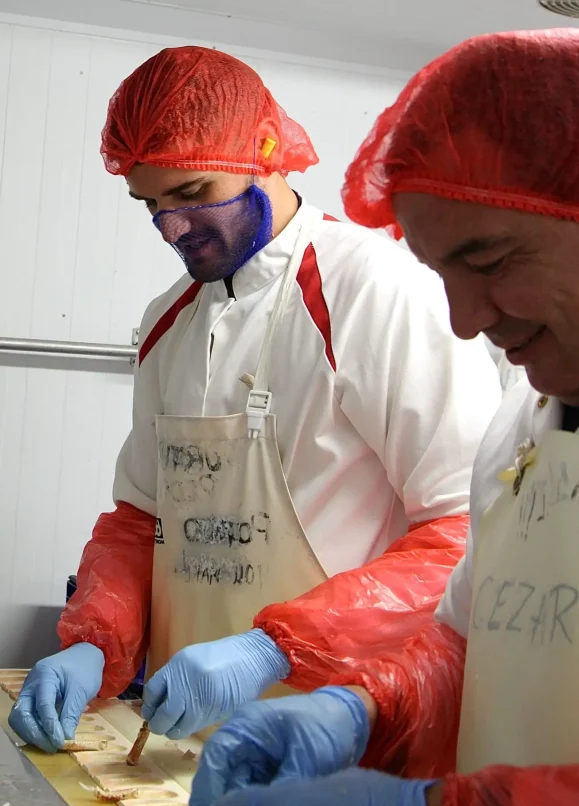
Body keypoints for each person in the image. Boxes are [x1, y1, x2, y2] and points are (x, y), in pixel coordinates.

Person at [8, 46, 500, 754]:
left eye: (192, 193)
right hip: (183, 744)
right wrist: (95, 640)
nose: (172, 228)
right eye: (150, 203)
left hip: (344, 741)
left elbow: (466, 535)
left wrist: (273, 650)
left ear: (266, 151)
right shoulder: (166, 322)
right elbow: (142, 516)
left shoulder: (376, 292)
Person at [189, 28, 579, 806]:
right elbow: (465, 644)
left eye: (487, 259)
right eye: (442, 273)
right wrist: (362, 709)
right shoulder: (520, 428)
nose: (463, 319)